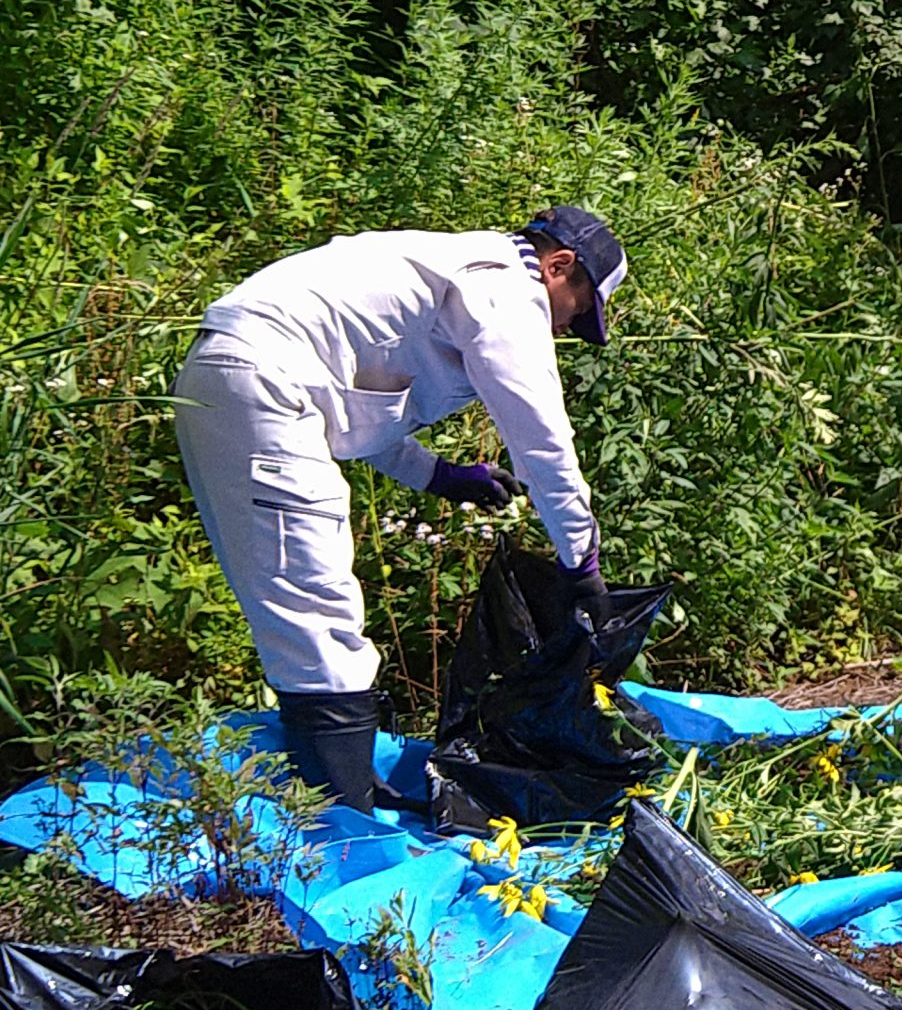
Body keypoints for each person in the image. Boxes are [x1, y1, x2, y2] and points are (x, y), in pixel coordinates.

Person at [172, 207, 628, 812]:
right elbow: (542, 439)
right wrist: (581, 562)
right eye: (576, 309)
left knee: (293, 596)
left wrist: (437, 474)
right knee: (313, 596)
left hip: (232, 378)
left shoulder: (443, 269)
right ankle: (341, 824)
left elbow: (356, 396)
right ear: (558, 265)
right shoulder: (507, 289)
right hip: (261, 383)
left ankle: (339, 789)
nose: (566, 329)